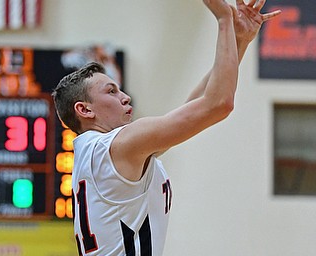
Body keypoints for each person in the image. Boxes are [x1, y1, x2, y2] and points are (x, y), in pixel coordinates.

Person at [52, 0, 281, 255]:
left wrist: (239, 41)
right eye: (111, 91)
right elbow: (219, 104)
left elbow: (194, 105)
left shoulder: (106, 152)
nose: (125, 97)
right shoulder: (119, 145)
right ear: (85, 110)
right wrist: (224, 20)